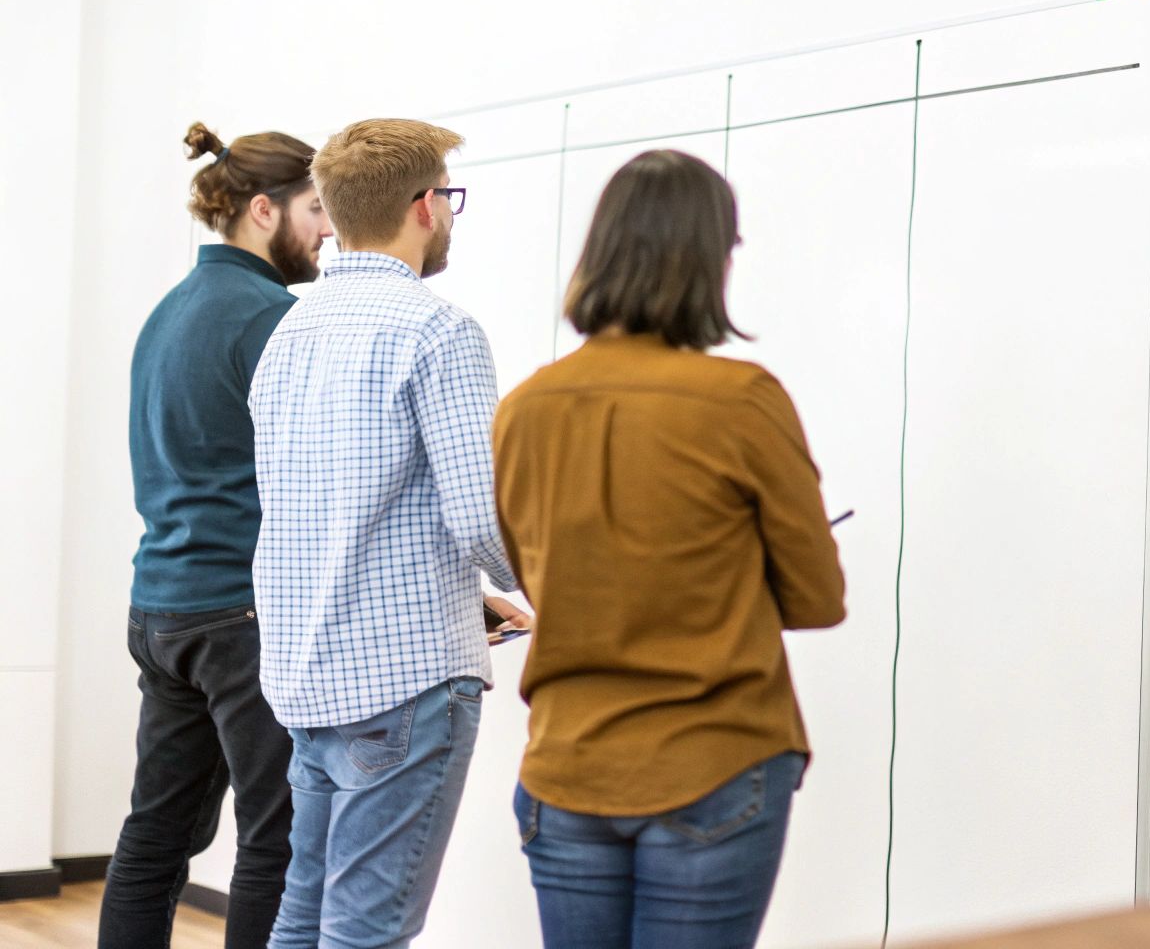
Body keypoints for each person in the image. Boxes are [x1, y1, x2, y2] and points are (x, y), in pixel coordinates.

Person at [492, 149, 847, 949]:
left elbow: (543, 580)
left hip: (566, 768)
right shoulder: (742, 401)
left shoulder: (523, 408)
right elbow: (818, 601)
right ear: (707, 260)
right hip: (714, 764)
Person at [248, 118, 529, 948]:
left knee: (303, 916)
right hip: (403, 691)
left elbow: (324, 514)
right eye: (449, 196)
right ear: (425, 206)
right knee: (367, 932)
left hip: (307, 680)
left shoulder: (285, 334)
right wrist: (565, 595)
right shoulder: (438, 330)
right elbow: (484, 517)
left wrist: (465, 592)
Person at [102, 123, 332, 949]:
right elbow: (316, 485)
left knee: (154, 836)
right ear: (263, 210)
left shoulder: (170, 311)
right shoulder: (271, 318)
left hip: (160, 610)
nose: (329, 230)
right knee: (278, 841)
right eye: (316, 209)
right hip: (238, 618)